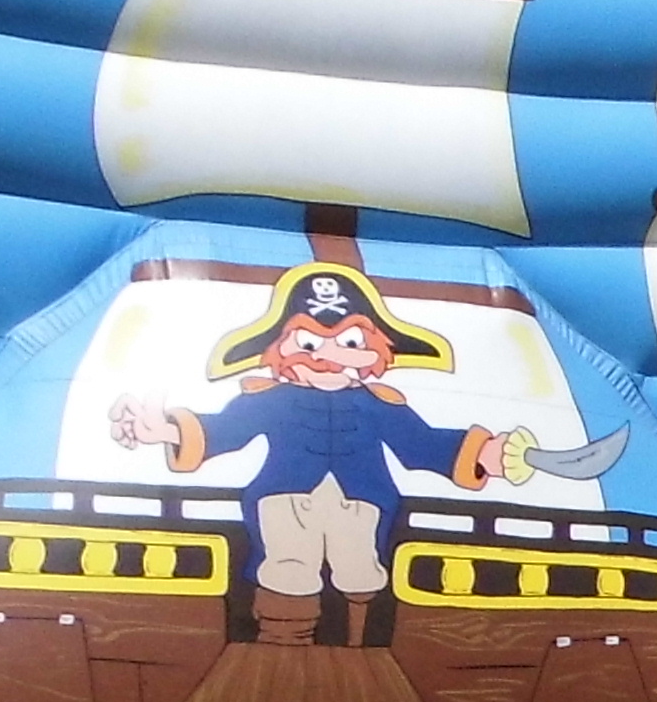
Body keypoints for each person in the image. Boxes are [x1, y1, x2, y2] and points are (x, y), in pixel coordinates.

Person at [113, 262, 511, 649]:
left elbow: (421, 444)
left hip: (360, 499)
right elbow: (225, 432)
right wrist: (166, 430)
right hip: (285, 496)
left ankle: (360, 649)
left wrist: (482, 455)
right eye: (309, 343)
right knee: (288, 566)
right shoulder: (273, 399)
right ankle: (282, 645)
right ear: (280, 349)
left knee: (359, 568)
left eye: (350, 342)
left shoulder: (379, 404)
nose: (328, 355)